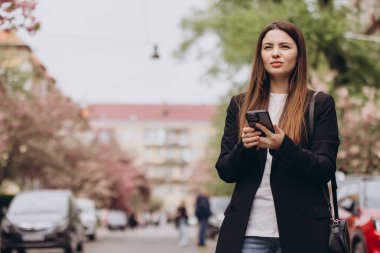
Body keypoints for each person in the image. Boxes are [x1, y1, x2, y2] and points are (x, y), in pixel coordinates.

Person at [215, 21, 340, 253]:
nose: (275, 53)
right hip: (248, 233)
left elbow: (325, 168)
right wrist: (244, 146)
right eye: (268, 47)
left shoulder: (319, 104)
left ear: (298, 54)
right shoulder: (240, 104)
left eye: (284, 46)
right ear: (260, 54)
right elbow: (225, 171)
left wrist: (284, 146)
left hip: (303, 232)